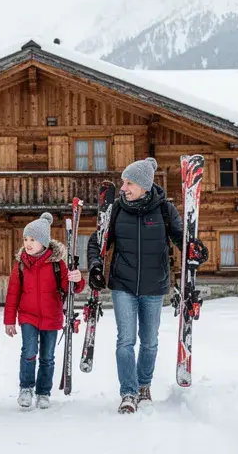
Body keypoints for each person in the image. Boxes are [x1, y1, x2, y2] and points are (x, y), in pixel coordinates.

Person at [86, 157, 206, 414]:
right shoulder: (116, 210)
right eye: (123, 183)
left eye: (129, 183)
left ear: (144, 185)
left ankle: (144, 386)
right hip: (123, 285)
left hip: (154, 285)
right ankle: (128, 392)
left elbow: (181, 240)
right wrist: (96, 266)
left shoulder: (164, 210)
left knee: (149, 341)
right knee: (125, 341)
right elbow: (96, 242)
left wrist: (194, 249)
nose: (124, 188)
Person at [3, 212, 84, 409]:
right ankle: (26, 388)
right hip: (28, 316)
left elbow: (71, 288)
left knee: (47, 357)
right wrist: (9, 320)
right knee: (29, 352)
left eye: (33, 239)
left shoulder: (58, 264)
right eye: (26, 239)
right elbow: (13, 293)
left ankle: (43, 392)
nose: (28, 243)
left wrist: (77, 279)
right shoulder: (21, 264)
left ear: (44, 242)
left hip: (51, 316)